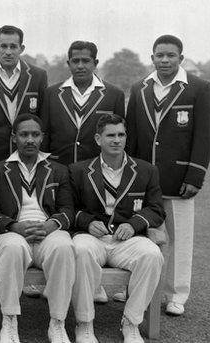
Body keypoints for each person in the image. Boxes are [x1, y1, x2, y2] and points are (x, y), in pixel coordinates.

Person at [125, 35, 210, 316]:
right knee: (139, 235)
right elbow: (132, 135)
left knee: (180, 238)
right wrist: (131, 175)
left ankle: (177, 294)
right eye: (159, 55)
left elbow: (204, 136)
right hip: (145, 179)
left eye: (170, 55)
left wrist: (195, 175)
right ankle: (133, 288)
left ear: (181, 58)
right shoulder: (139, 88)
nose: (164, 60)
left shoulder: (199, 88)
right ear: (151, 58)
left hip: (180, 177)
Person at [70, 114, 165, 343]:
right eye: (110, 135)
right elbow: (68, 208)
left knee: (153, 255)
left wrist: (134, 225)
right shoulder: (78, 170)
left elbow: (157, 209)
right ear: (97, 139)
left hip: (127, 240)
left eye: (121, 134)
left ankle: (131, 322)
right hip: (92, 238)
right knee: (79, 250)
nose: (116, 140)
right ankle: (84, 323)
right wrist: (87, 222)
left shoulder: (146, 170)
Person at [0, 114, 75, 343]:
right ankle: (9, 321)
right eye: (24, 134)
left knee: (64, 246)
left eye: (35, 135)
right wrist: (14, 226)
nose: (30, 140)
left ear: (42, 138)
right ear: (14, 137)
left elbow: (67, 210)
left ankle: (57, 322)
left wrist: (50, 225)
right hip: (12, 232)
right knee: (12, 248)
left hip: (49, 231)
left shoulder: (58, 170)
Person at [0, 25, 48, 166]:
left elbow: (42, 116)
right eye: (4, 46)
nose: (8, 52)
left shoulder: (38, 76)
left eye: (13, 46)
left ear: (21, 48)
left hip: (27, 154)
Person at [41, 41, 125, 166]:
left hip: (97, 169)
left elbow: (119, 136)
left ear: (95, 63)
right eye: (75, 61)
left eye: (85, 61)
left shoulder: (114, 95)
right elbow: (44, 135)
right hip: (59, 167)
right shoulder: (51, 94)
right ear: (68, 64)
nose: (80, 66)